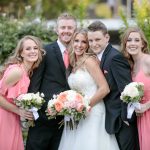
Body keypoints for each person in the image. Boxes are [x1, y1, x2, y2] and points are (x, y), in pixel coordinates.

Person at [58, 28, 119, 150]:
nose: (79, 45)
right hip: (78, 113)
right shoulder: (74, 62)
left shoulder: (89, 61)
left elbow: (104, 88)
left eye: (84, 42)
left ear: (88, 45)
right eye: (76, 41)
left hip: (94, 111)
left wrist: (84, 107)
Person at [26, 12, 77, 150]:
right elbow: (35, 84)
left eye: (70, 28)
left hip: (67, 121)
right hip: (43, 119)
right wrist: (33, 111)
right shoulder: (45, 52)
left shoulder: (79, 53)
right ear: (57, 29)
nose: (66, 31)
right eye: (63, 27)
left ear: (75, 30)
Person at [87, 21, 139, 150]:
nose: (94, 44)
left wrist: (127, 118)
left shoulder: (114, 58)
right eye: (91, 40)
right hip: (109, 118)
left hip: (122, 121)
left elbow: (127, 89)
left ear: (107, 37)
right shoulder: (98, 57)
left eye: (97, 39)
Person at [0, 35, 45, 150]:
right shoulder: (17, 71)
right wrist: (18, 111)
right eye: (28, 49)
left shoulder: (28, 72)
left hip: (12, 116)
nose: (33, 51)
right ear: (21, 53)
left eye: (35, 48)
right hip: (4, 117)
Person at [121, 27, 150, 150]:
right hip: (140, 116)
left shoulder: (148, 60)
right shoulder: (130, 65)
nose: (132, 43)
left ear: (142, 43)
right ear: (125, 43)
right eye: (129, 40)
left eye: (136, 40)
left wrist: (147, 105)